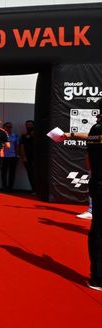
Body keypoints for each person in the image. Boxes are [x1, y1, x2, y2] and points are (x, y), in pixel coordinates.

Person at [64, 117, 102, 291]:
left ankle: (97, 277)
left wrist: (69, 134)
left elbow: (89, 159)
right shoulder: (97, 130)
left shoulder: (96, 130)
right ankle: (97, 278)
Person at [1, 122, 19, 191]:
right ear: (3, 127)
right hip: (3, 157)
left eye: (10, 127)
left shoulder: (15, 136)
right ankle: (4, 187)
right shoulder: (1, 135)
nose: (9, 128)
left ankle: (10, 188)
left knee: (12, 173)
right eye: (7, 127)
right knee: (3, 172)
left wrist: (17, 155)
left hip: (13, 156)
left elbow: (17, 146)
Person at [19, 120, 35, 192]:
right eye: (27, 125)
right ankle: (33, 189)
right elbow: (22, 146)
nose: (28, 126)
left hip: (37, 158)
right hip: (27, 157)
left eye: (30, 124)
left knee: (37, 174)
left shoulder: (38, 134)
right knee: (30, 173)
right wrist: (24, 157)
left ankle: (39, 190)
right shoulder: (23, 135)